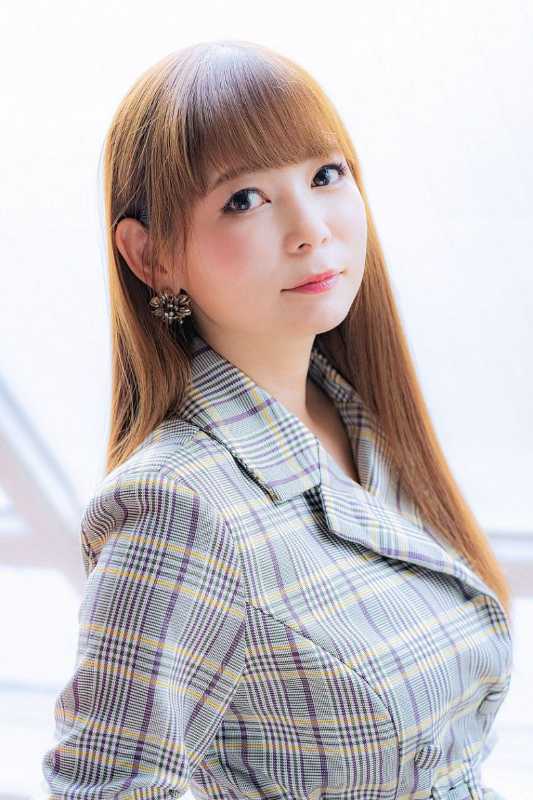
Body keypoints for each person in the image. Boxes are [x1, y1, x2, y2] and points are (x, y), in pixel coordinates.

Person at [40, 38, 513, 800]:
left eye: (325, 175)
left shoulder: (361, 422)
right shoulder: (180, 505)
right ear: (152, 257)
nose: (310, 228)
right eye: (244, 199)